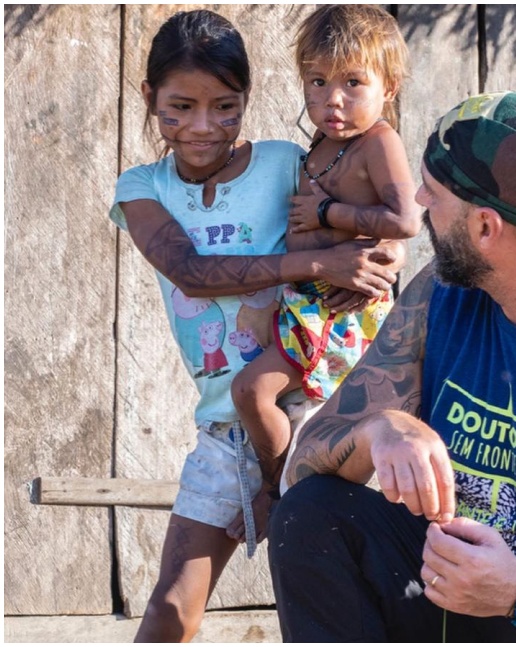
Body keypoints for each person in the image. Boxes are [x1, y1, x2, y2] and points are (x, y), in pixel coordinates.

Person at [110, 10, 404, 642]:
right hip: (227, 426)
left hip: (318, 408)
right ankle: (275, 485)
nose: (201, 127)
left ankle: (282, 489)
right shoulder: (142, 188)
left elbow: (369, 227)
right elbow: (188, 271)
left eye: (225, 107)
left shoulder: (283, 163)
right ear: (149, 100)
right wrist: (321, 260)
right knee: (170, 609)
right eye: (179, 108)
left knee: (327, 606)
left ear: (246, 100)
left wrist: (381, 257)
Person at [268, 92, 516, 642]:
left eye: (434, 192)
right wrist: (380, 430)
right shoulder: (439, 295)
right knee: (311, 515)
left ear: (486, 228)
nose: (418, 200)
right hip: (441, 587)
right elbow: (300, 470)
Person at [229, 3, 420, 548]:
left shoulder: (378, 142)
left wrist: (328, 214)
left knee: (251, 391)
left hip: (335, 312)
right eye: (317, 81)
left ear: (389, 87)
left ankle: (276, 486)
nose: (331, 99)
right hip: (304, 303)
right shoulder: (322, 144)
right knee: (286, 408)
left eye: (353, 82)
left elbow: (405, 219)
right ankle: (286, 483)